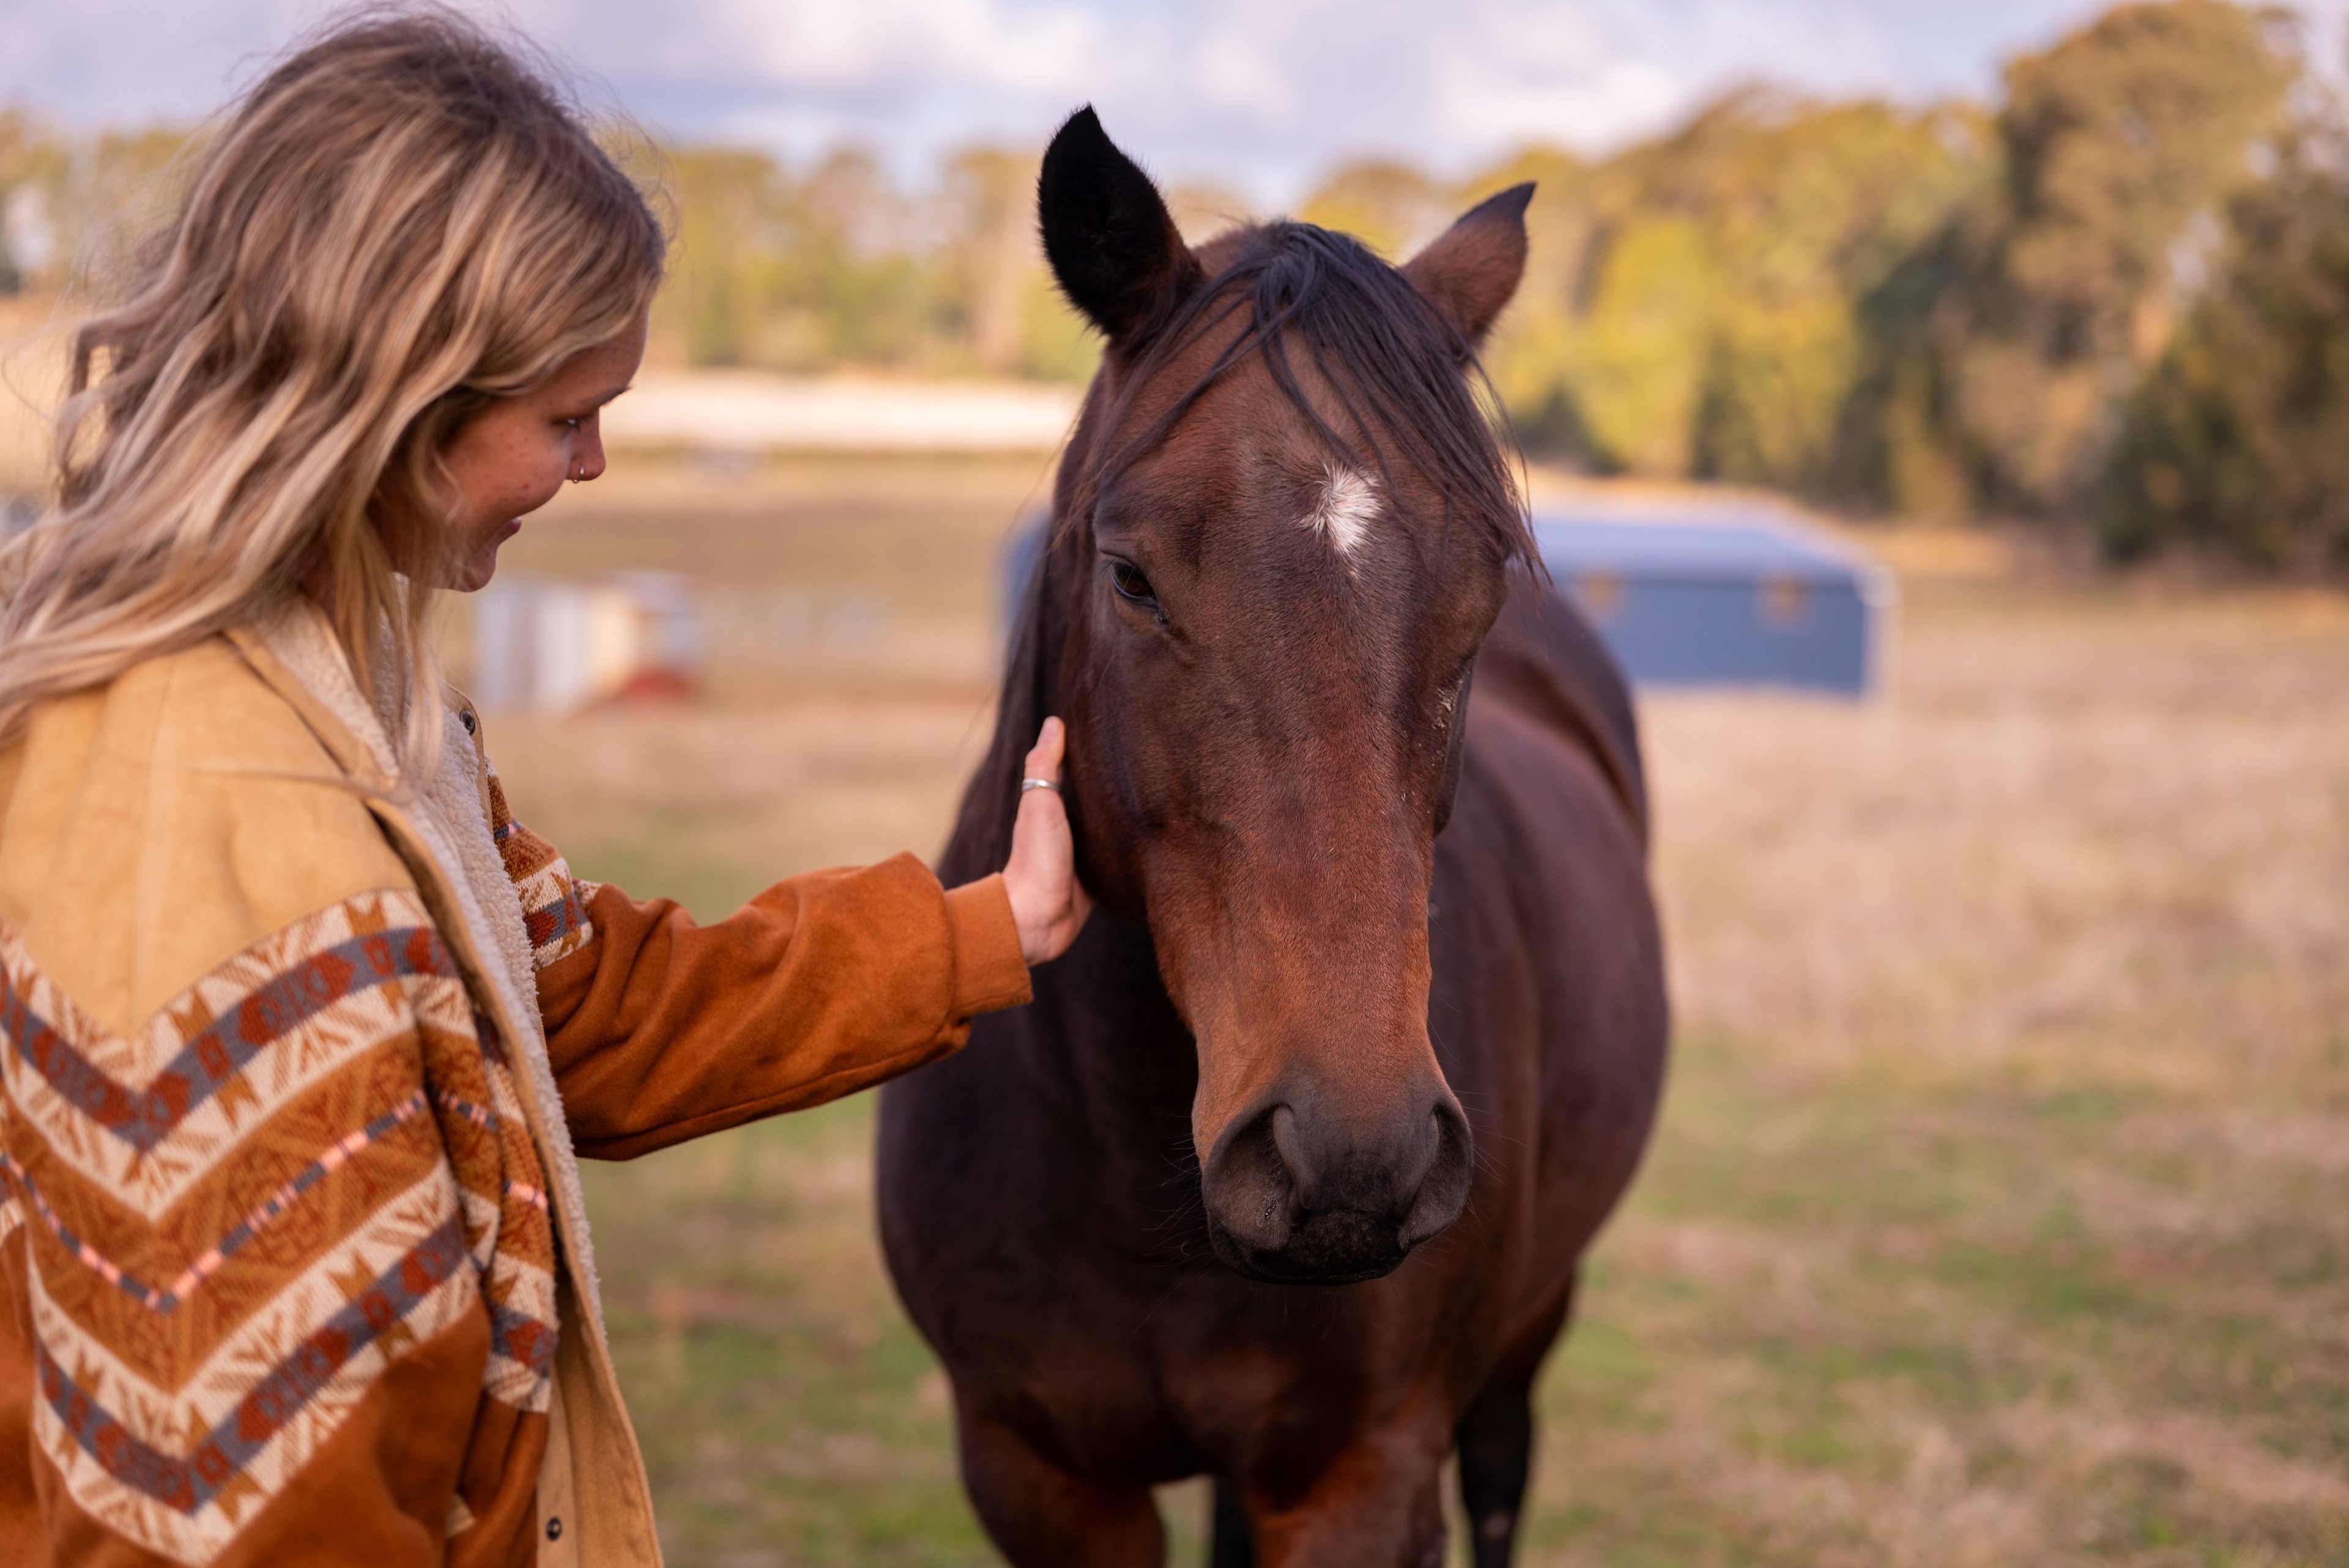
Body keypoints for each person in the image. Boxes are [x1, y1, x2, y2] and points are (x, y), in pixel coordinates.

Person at [0, 14, 1088, 1566]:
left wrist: (987, 926)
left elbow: (575, 1006)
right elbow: (249, 1511)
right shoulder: (199, 803)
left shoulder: (347, 692)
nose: (589, 471)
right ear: (395, 397)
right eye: (567, 418)